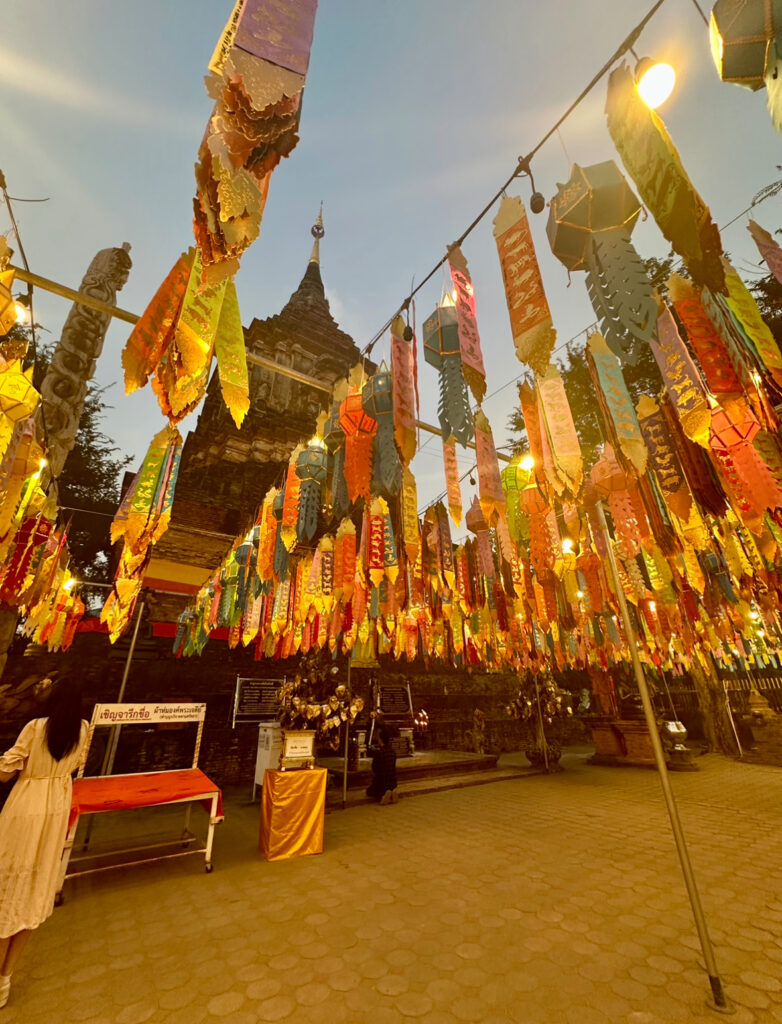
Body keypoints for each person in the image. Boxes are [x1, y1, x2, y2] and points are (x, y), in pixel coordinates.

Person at [0, 676, 89, 1009]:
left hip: (25, 807)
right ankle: (5, 977)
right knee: (34, 889)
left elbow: (5, 772)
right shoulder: (83, 730)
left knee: (8, 886)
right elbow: (78, 765)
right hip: (55, 811)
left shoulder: (36, 728)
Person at [366, 726, 398, 805]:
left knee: (369, 791)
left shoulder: (379, 753)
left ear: (381, 740)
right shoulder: (393, 752)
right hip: (393, 781)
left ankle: (384, 795)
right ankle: (392, 791)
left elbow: (375, 768)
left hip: (382, 781)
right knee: (388, 783)